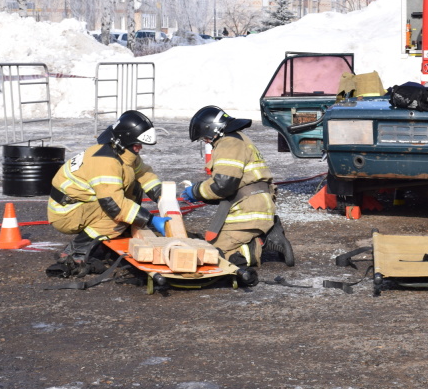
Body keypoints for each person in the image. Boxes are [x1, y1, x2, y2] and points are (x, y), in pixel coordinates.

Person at [47, 110, 170, 275]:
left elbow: (143, 174)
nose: (139, 148)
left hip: (82, 205)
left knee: (133, 189)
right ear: (124, 140)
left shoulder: (122, 153)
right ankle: (77, 250)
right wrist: (150, 220)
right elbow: (115, 206)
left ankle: (115, 233)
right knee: (118, 217)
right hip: (66, 213)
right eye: (136, 144)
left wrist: (161, 194)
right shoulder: (105, 161)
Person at [181, 105, 294, 267]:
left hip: (249, 210)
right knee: (212, 247)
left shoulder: (228, 144)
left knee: (214, 255)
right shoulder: (237, 139)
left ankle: (260, 245)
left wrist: (195, 191)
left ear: (214, 130)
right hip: (254, 204)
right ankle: (266, 232)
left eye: (205, 137)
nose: (206, 141)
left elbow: (223, 185)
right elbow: (229, 186)